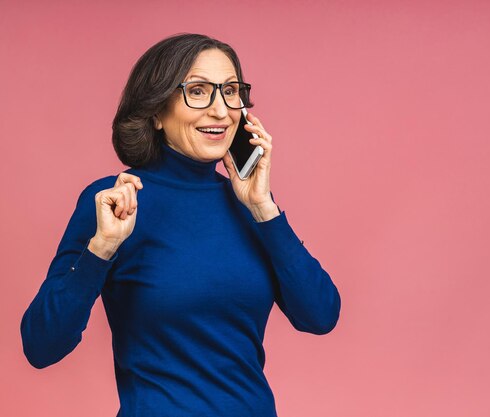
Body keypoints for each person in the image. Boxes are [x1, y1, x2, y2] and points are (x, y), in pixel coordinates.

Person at [20, 33, 341, 417]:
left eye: (231, 91)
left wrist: (263, 207)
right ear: (156, 111)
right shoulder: (115, 201)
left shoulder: (249, 204)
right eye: (199, 91)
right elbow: (41, 345)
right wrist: (101, 249)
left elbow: (320, 316)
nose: (221, 111)